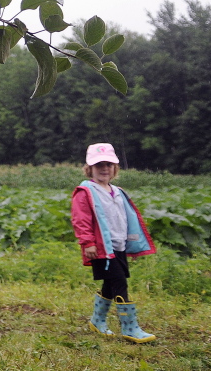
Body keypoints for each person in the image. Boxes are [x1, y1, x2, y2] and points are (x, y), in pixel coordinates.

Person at [71, 143, 158, 343]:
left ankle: (97, 320)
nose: (104, 168)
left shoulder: (117, 191)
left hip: (118, 246)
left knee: (110, 284)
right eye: (99, 164)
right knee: (120, 283)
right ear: (89, 168)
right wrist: (88, 243)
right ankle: (130, 328)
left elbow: (124, 219)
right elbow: (80, 219)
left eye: (109, 164)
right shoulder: (85, 191)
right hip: (100, 248)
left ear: (115, 168)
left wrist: (131, 245)